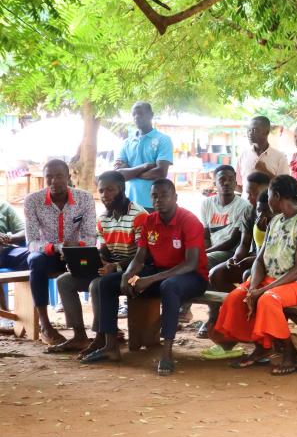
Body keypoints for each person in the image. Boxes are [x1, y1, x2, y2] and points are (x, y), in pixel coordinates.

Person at [81, 179, 209, 376]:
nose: (159, 200)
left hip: (191, 278)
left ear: (175, 197)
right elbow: (140, 258)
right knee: (107, 283)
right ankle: (110, 346)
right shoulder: (150, 220)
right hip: (157, 274)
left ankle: (167, 352)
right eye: (155, 196)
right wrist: (128, 275)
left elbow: (190, 263)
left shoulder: (189, 221)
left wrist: (150, 279)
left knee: (170, 286)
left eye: (164, 195)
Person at [211, 175, 297, 376]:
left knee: (268, 300)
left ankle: (291, 354)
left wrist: (263, 290)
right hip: (271, 280)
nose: (266, 200)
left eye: (269, 195)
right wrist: (253, 287)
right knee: (237, 297)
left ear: (277, 196)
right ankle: (262, 346)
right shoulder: (275, 221)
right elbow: (259, 260)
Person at [49, 172, 148, 354]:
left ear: (122, 189)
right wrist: (81, 261)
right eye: (101, 191)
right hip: (111, 270)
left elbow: (145, 257)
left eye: (110, 189)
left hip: (136, 274)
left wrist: (115, 267)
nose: (105, 195)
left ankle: (102, 337)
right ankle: (79, 336)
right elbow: (105, 252)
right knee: (64, 281)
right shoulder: (103, 219)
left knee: (97, 284)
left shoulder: (139, 216)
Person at [23, 159, 97, 345]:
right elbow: (31, 241)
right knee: (35, 260)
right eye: (49, 177)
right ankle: (45, 325)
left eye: (59, 176)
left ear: (68, 177)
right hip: (47, 254)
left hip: (76, 252)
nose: (54, 181)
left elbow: (90, 237)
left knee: (99, 266)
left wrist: (74, 246)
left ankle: (103, 328)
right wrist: (58, 247)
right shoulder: (33, 201)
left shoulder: (84, 198)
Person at [199, 171, 272, 340]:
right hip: (253, 259)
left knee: (248, 274)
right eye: (248, 193)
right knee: (217, 274)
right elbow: (244, 245)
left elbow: (272, 254)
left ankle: (246, 317)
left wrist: (247, 260)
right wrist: (235, 259)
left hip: (269, 263)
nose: (250, 197)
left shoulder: (277, 214)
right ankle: (237, 311)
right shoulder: (249, 212)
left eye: (254, 193)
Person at [115, 101, 173, 212]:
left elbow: (161, 172)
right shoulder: (127, 142)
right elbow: (119, 175)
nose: (136, 117)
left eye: (140, 113)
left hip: (153, 203)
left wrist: (130, 171)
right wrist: (145, 166)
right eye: (134, 114)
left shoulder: (163, 140)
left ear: (151, 115)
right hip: (128, 202)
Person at [201, 165, 253, 269]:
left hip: (231, 253)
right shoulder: (207, 203)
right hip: (212, 250)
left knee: (204, 260)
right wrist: (202, 250)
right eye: (222, 179)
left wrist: (204, 252)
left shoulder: (244, 206)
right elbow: (206, 236)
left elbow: (232, 241)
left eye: (230, 180)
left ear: (235, 183)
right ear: (215, 183)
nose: (226, 183)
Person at [236, 116, 289, 190]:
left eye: (254, 130)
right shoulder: (243, 155)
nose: (250, 133)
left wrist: (265, 171)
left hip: (268, 201)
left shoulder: (280, 157)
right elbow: (239, 185)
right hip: (246, 201)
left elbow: (285, 186)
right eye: (249, 130)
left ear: (266, 132)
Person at [0, 199, 28, 316]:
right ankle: (6, 314)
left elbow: (24, 231)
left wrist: (8, 238)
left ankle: (30, 316)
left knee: (36, 257)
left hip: (5, 251)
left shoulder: (3, 206)